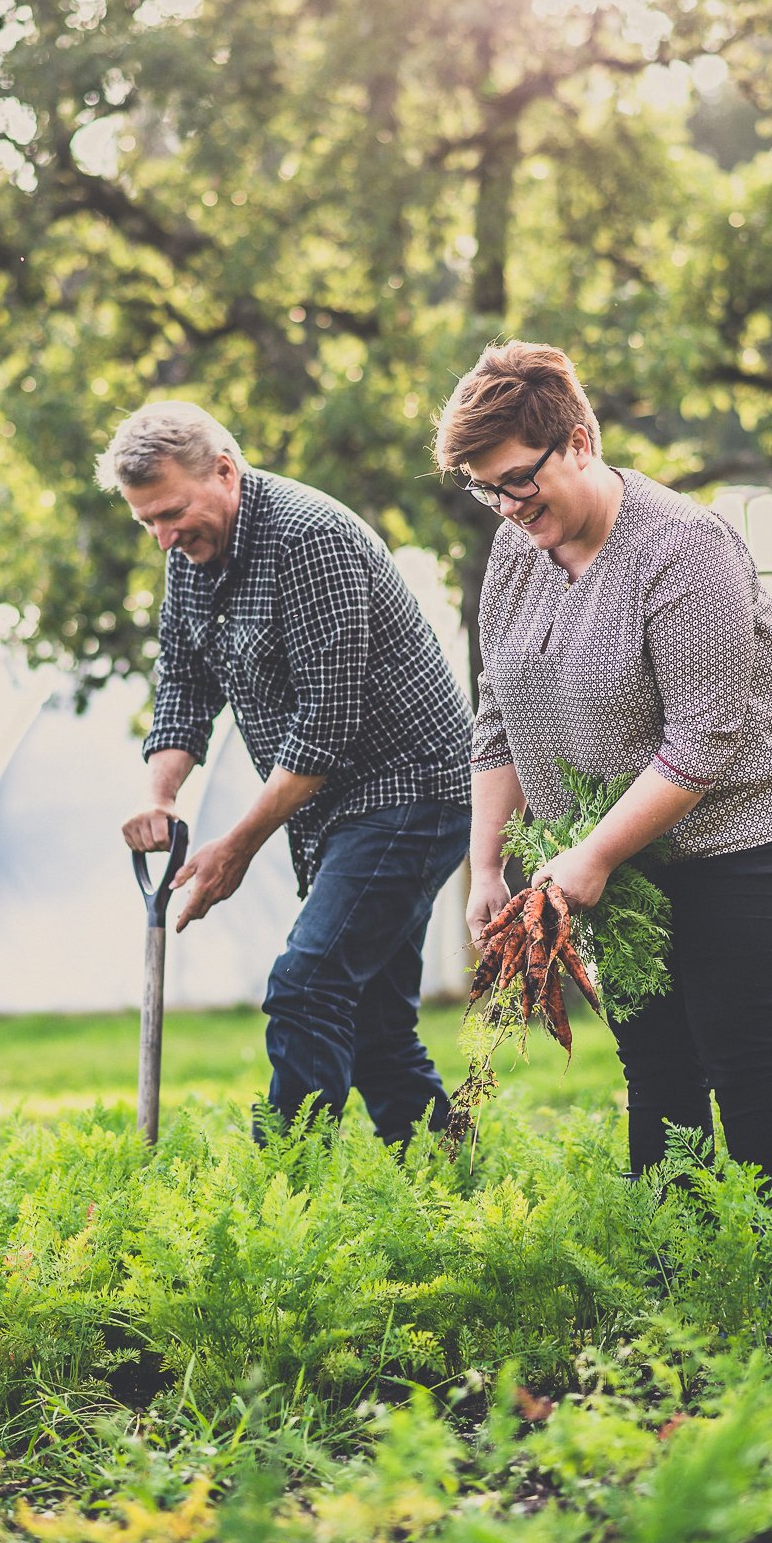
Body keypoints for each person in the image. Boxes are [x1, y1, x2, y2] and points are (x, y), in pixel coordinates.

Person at [434, 341, 772, 1190]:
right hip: (611, 846)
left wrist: (593, 857)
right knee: (655, 1058)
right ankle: (676, 1279)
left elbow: (702, 741)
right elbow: (500, 714)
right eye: (485, 487)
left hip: (748, 822)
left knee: (737, 1043)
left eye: (515, 477)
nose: (506, 505)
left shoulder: (683, 549)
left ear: (579, 441)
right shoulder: (516, 551)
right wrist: (484, 866)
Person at [95, 401, 473, 1145]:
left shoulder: (309, 540)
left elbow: (323, 731)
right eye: (148, 523)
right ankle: (452, 1194)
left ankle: (285, 1199)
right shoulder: (191, 559)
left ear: (226, 471)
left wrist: (234, 847)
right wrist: (158, 795)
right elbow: (184, 684)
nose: (165, 537)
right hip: (340, 805)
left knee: (308, 984)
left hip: (412, 789)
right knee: (372, 1026)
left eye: (172, 512)